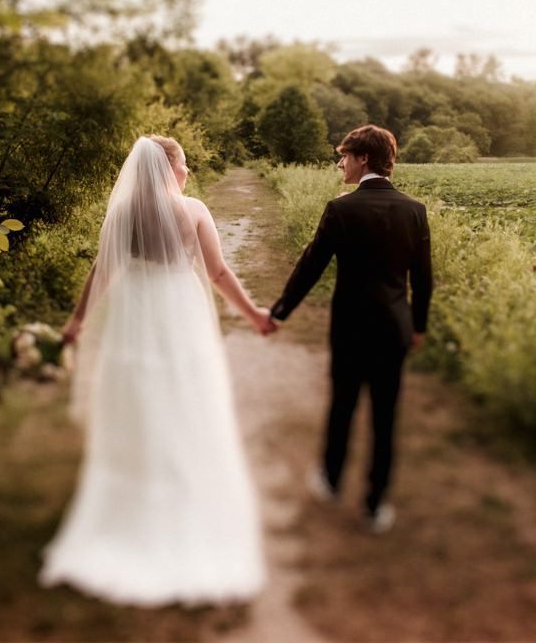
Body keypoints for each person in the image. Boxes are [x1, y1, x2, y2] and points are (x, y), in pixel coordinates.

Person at [39, 135, 271, 606]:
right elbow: (218, 274)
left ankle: (128, 509)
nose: (188, 172)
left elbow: (101, 270)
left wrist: (78, 319)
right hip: (178, 315)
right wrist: (253, 315)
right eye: (184, 164)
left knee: (137, 403)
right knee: (185, 400)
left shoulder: (123, 213)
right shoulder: (195, 210)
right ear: (171, 169)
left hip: (135, 317)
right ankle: (185, 502)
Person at [268, 124, 432, 534]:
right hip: (394, 327)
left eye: (345, 155)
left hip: (351, 326)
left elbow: (310, 266)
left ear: (363, 159)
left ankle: (331, 480)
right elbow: (424, 280)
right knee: (385, 416)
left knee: (342, 405)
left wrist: (280, 311)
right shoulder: (415, 210)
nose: (340, 162)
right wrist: (418, 326)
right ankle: (376, 506)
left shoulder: (341, 209)